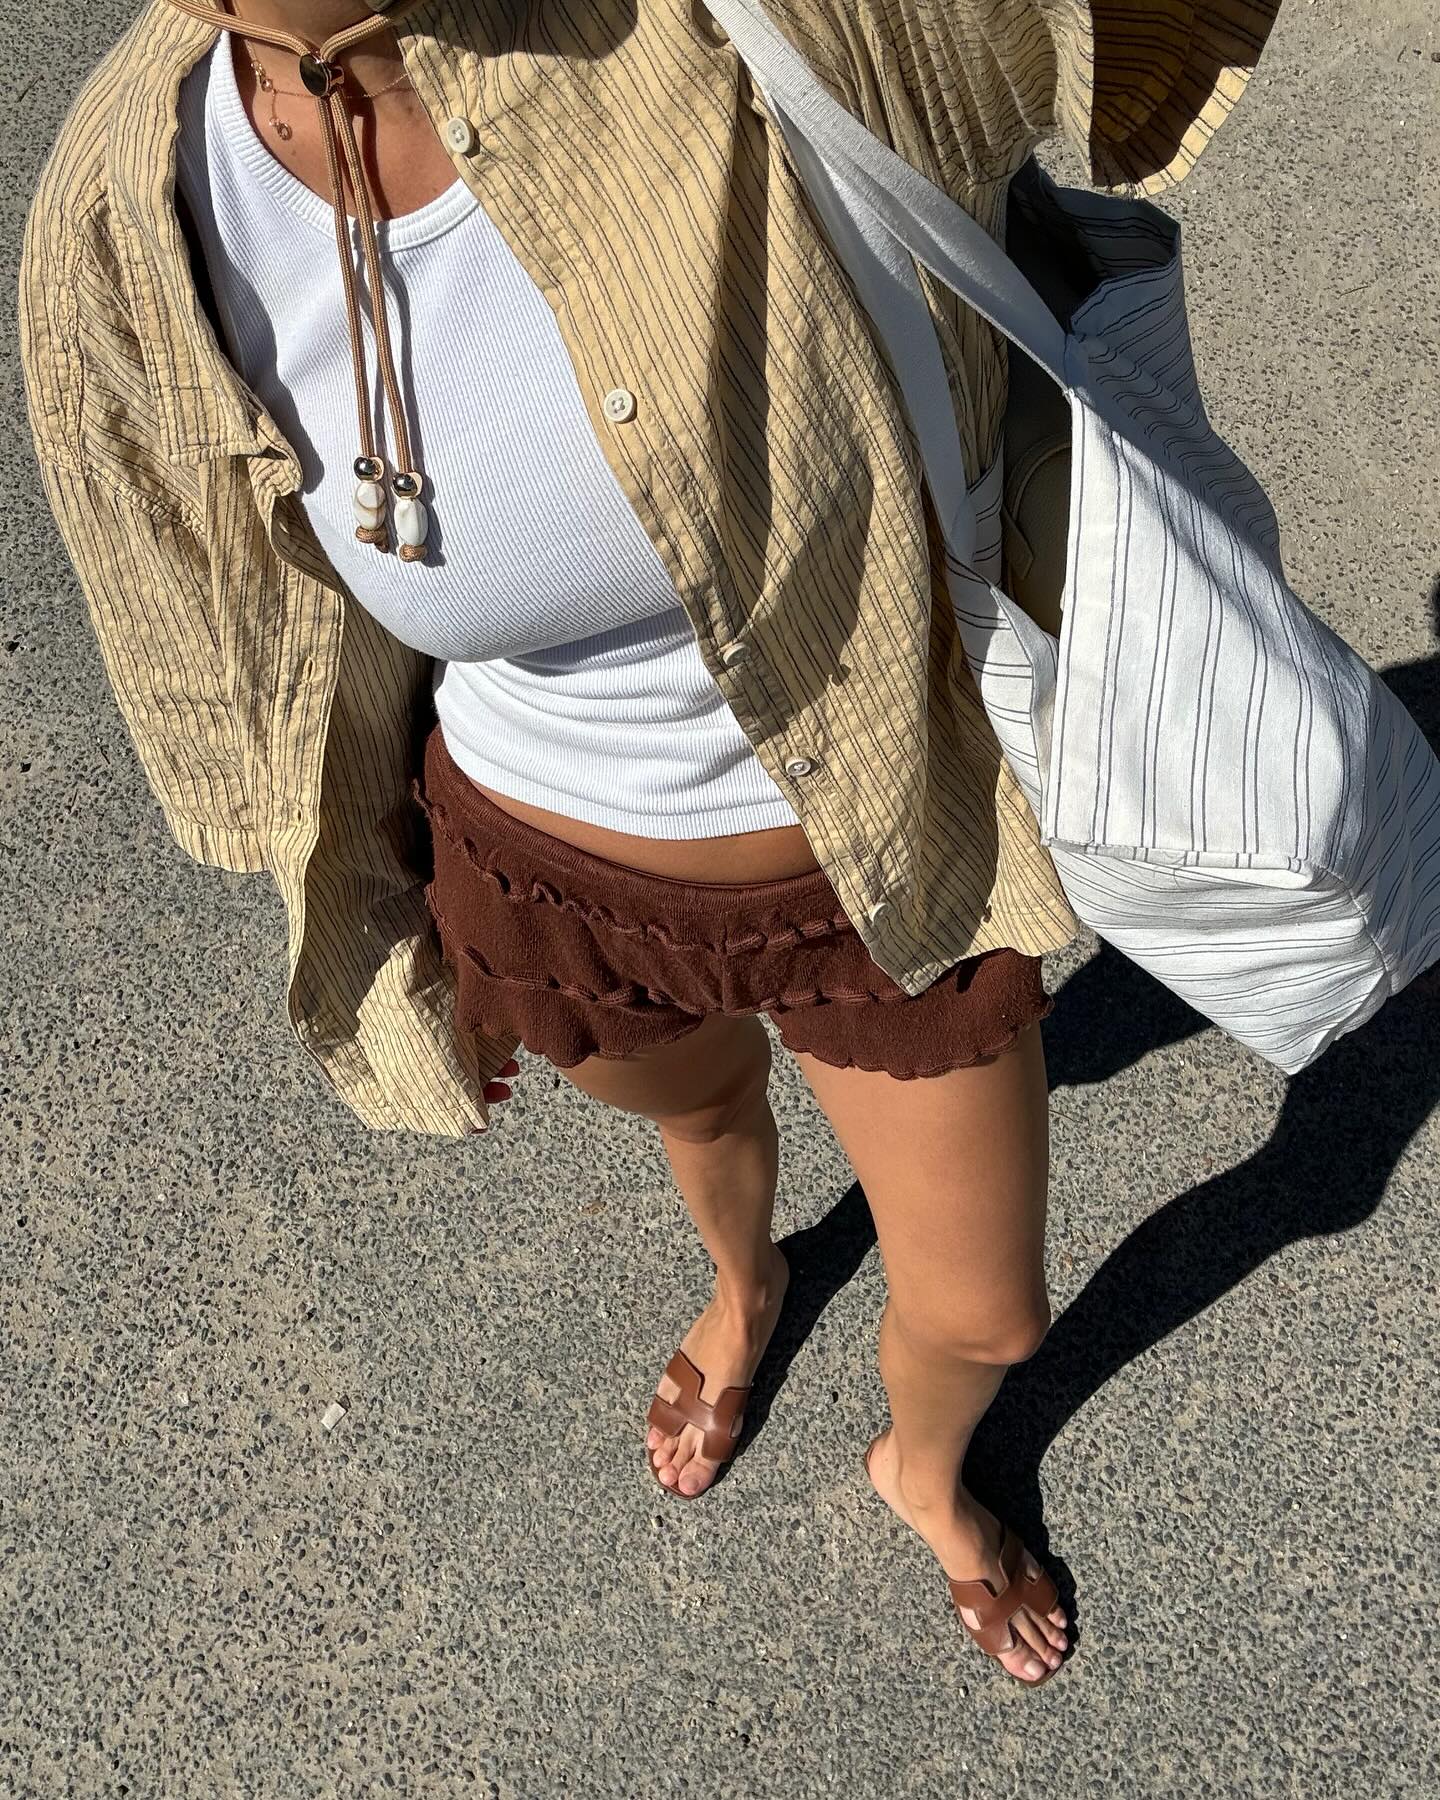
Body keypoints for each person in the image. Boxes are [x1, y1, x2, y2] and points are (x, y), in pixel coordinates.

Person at [19, 0, 1279, 1686]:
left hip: (884, 853)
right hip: (547, 879)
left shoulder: (723, 21)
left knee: (985, 1309)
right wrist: (385, 924)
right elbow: (233, 641)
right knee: (702, 1119)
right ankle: (746, 1292)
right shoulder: (128, 199)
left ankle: (922, 1465)